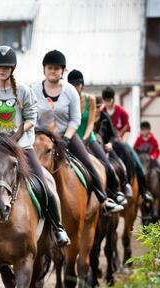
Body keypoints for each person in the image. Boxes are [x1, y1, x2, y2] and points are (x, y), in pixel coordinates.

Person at [0, 45, 70, 247]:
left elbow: (32, 118)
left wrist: (18, 134)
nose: (2, 70)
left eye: (6, 67)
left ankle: (58, 227)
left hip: (21, 146)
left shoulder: (24, 90)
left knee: (45, 186)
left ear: (12, 68)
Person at [31, 50, 123, 214]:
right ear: (44, 69)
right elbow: (31, 116)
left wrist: (66, 139)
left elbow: (75, 119)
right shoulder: (34, 90)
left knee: (87, 162)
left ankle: (103, 199)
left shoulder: (70, 91)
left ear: (62, 71)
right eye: (50, 68)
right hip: (41, 137)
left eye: (57, 68)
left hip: (67, 136)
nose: (53, 71)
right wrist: (39, 135)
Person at [67, 69, 126, 206]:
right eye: (72, 84)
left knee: (106, 164)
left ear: (82, 85)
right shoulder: (66, 100)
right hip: (71, 138)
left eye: (77, 84)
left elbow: (90, 123)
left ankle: (114, 193)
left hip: (88, 138)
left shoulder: (90, 99)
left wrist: (84, 139)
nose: (75, 87)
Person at [101, 87, 154, 203]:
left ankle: (143, 190)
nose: (106, 103)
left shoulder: (122, 112)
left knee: (137, 162)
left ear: (113, 100)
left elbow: (128, 129)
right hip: (106, 143)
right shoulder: (102, 112)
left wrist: (123, 141)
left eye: (108, 100)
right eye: (104, 100)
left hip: (120, 142)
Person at [134, 121, 160, 192]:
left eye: (145, 130)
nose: (143, 132)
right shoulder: (139, 140)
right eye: (142, 130)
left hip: (151, 160)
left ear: (148, 130)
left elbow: (157, 150)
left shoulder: (153, 140)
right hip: (141, 160)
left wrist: (153, 156)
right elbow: (134, 149)